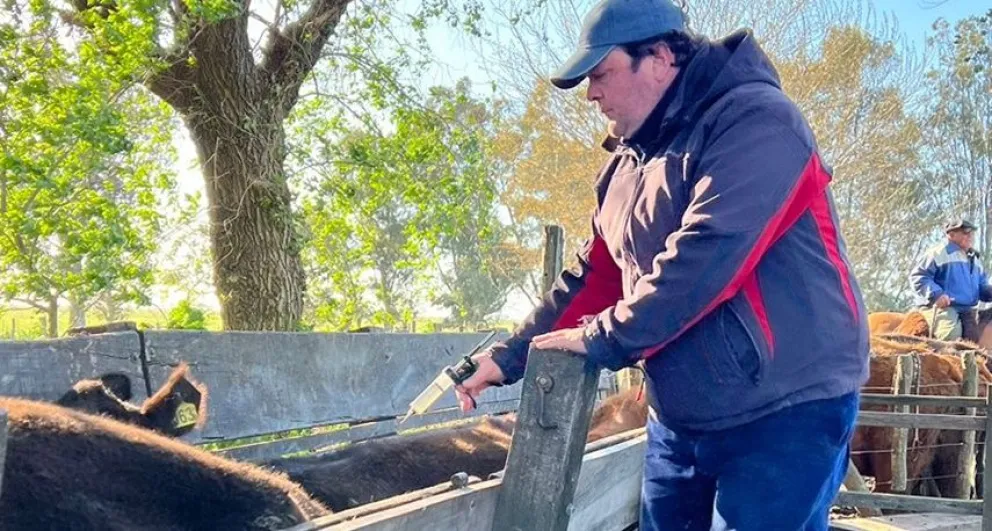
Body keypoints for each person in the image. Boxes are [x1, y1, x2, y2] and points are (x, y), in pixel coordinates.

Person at [456, 0, 871, 529]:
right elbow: (598, 274)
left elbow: (709, 256)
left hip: (786, 404)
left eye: (601, 74)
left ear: (658, 58)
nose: (592, 94)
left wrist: (601, 338)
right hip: (682, 413)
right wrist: (509, 356)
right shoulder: (626, 167)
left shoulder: (758, 122)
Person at [909, 219, 992, 341]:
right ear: (951, 234)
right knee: (951, 335)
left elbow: (982, 287)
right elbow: (918, 276)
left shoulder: (974, 259)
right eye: (965, 232)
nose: (970, 236)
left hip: (966, 310)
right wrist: (937, 295)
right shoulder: (938, 253)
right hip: (943, 308)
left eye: (971, 233)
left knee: (976, 341)